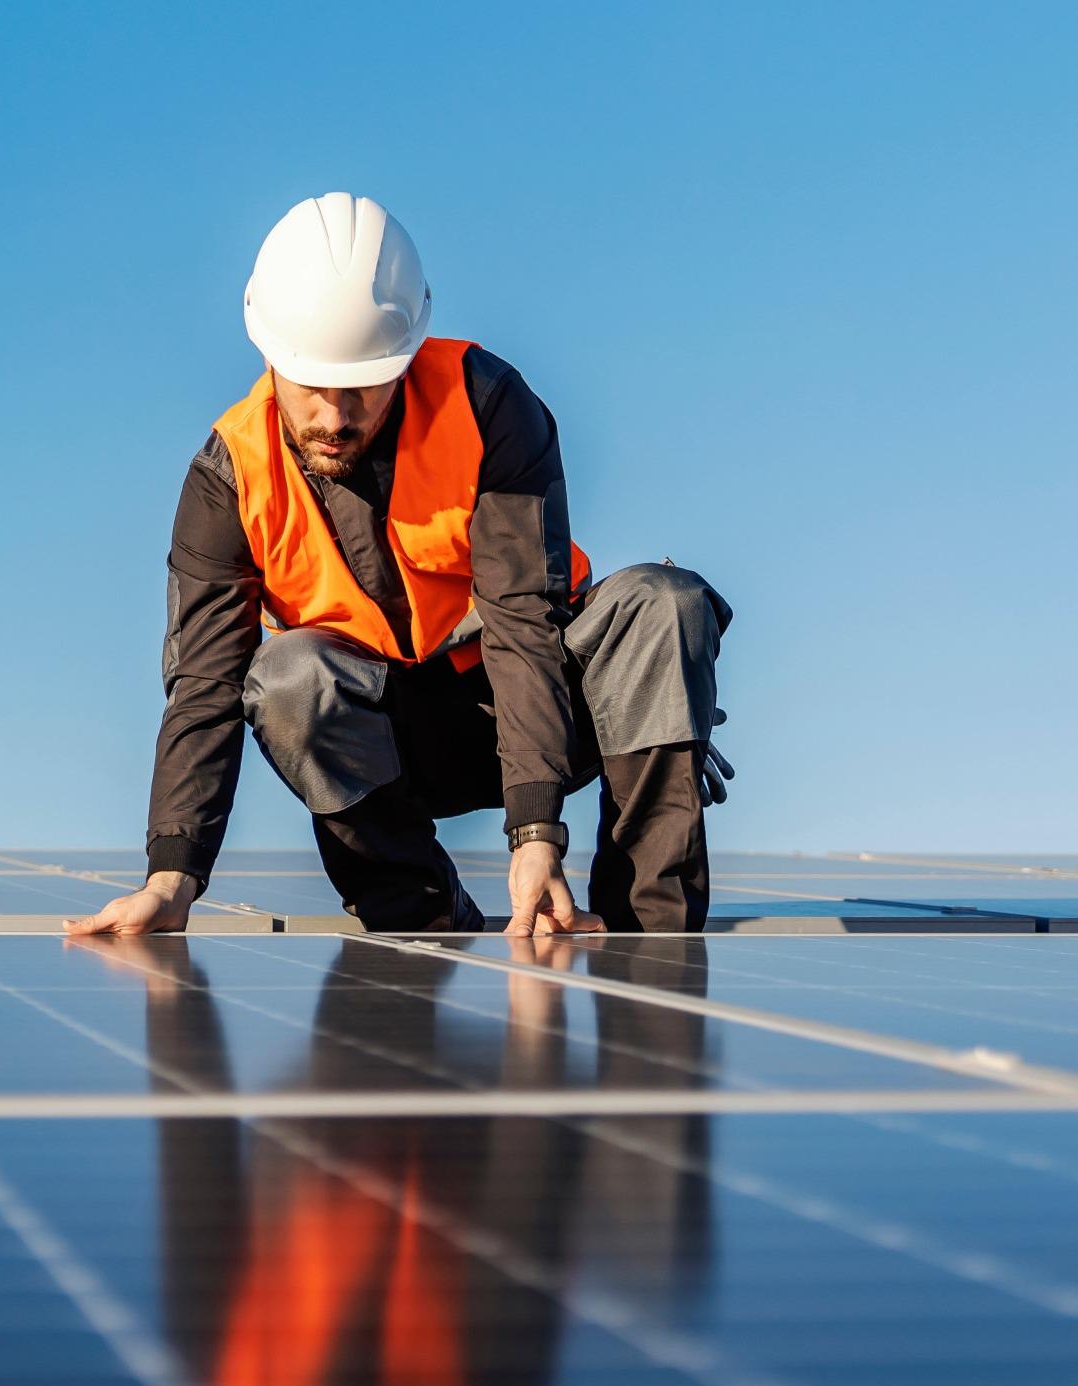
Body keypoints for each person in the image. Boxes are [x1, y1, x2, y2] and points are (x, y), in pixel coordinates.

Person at [66, 193, 732, 937]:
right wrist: (171, 877)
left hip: (543, 700)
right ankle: (422, 916)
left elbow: (523, 619)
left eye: (362, 384)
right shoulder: (229, 479)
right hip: (390, 741)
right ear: (270, 356)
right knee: (286, 680)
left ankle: (647, 933)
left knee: (663, 605)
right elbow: (204, 688)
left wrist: (537, 832)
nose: (335, 414)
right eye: (312, 384)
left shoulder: (486, 406)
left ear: (407, 356)